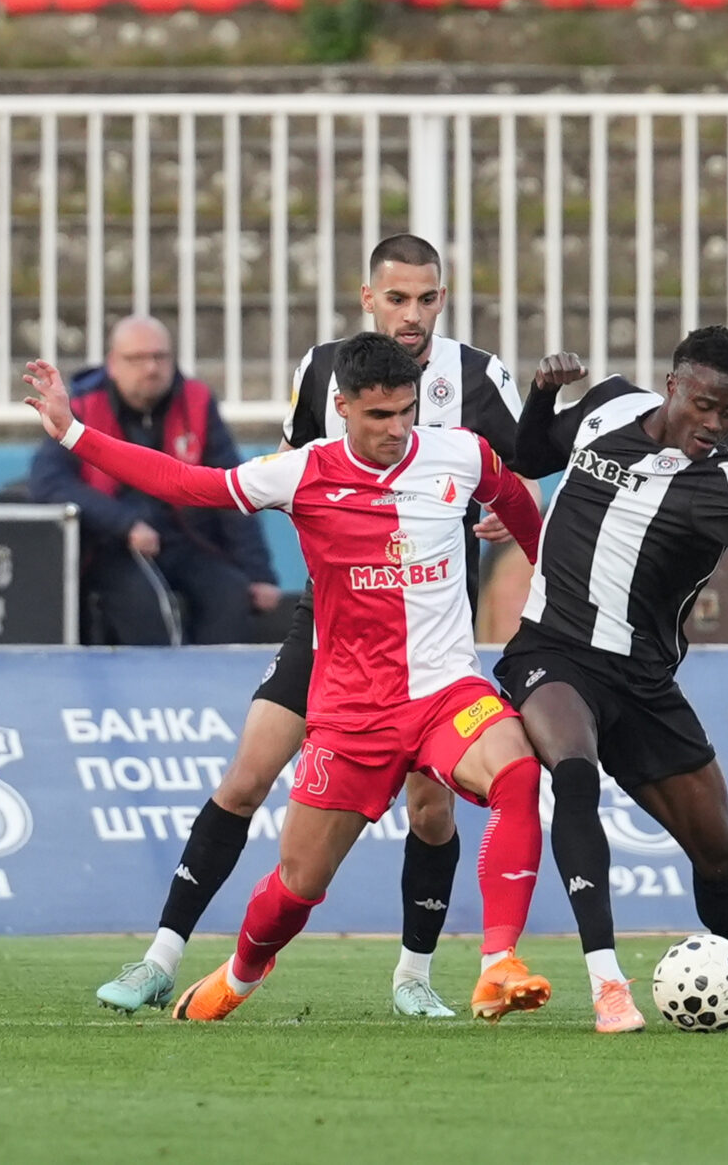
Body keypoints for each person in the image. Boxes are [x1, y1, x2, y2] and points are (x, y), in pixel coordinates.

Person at [28, 332, 551, 1022]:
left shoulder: (461, 453)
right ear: (342, 407)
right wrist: (72, 434)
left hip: (445, 691)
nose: (396, 429)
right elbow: (189, 484)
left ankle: (497, 963)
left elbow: (516, 500)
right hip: (351, 711)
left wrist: (542, 573)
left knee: (518, 773)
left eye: (405, 412)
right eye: (378, 416)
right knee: (299, 884)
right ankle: (238, 975)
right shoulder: (302, 471)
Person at [493, 327, 728, 1032]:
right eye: (704, 403)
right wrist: (543, 392)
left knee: (723, 853)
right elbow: (530, 453)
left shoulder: (727, 481)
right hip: (552, 651)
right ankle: (608, 984)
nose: (714, 423)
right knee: (573, 773)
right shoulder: (607, 407)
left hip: (642, 685)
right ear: (672, 385)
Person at [28, 314, 281, 645]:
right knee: (142, 605)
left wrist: (258, 573)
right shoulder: (83, 406)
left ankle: (217, 693)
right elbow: (48, 482)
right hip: (113, 547)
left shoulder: (197, 402)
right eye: (137, 359)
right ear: (113, 364)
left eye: (160, 357)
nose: (151, 368)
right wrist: (125, 523)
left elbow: (231, 489)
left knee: (230, 593)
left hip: (186, 540)